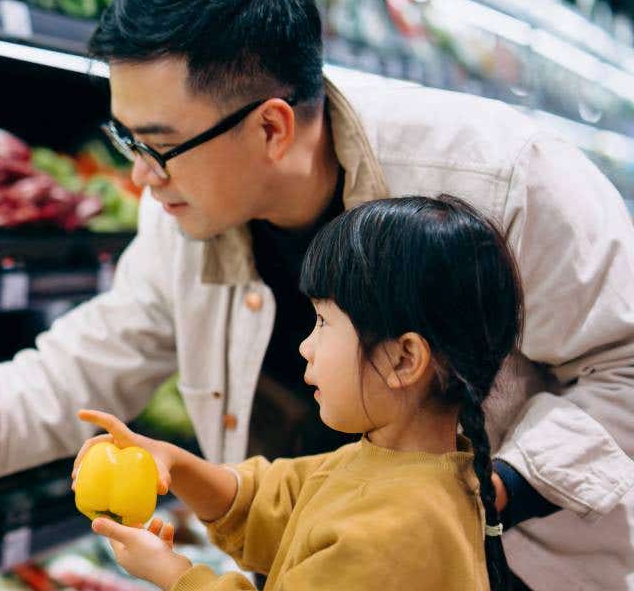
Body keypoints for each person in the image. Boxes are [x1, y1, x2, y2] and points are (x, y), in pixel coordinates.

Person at [0, 0, 634, 589]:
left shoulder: (502, 176)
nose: (139, 176)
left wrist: (497, 489)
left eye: (158, 145)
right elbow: (81, 366)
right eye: (125, 138)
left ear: (270, 127)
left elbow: (626, 365)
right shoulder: (189, 211)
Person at [77, 195, 521, 591]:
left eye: (325, 323)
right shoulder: (395, 466)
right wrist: (173, 462)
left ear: (404, 359)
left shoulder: (391, 533)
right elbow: (277, 501)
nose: (306, 346)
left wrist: (174, 576)